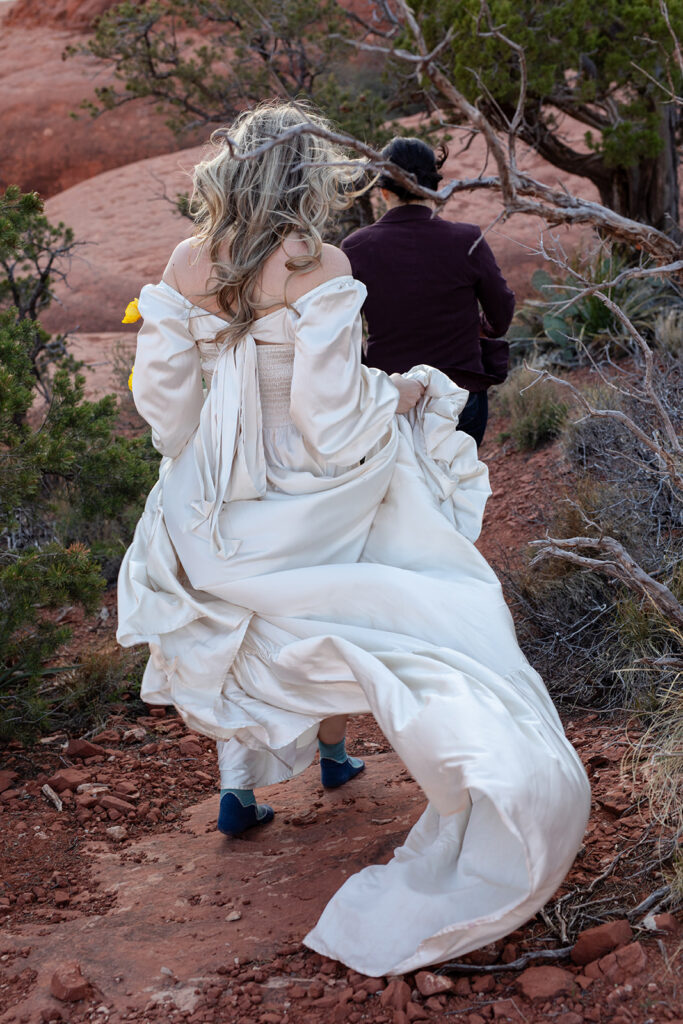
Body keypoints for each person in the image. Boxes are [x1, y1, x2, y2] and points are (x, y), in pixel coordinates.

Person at [117, 100, 590, 977]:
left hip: (214, 486)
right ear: (310, 174)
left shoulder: (188, 262)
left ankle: (240, 788)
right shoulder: (314, 260)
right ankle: (455, 774)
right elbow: (331, 422)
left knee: (252, 623)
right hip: (309, 481)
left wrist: (213, 454)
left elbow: (166, 412)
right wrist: (407, 394)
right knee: (381, 619)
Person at [341, 137, 515, 446]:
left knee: (402, 491)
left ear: (383, 192)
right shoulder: (467, 239)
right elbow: (501, 310)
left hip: (393, 400)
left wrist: (373, 383)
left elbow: (346, 334)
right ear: (434, 188)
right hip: (462, 395)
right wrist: (483, 329)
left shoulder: (356, 248)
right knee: (457, 487)